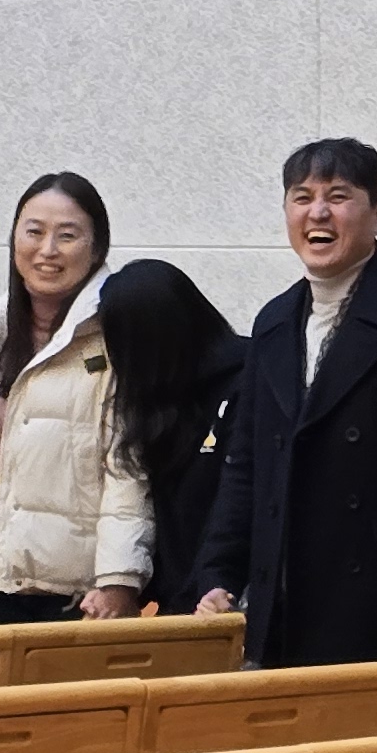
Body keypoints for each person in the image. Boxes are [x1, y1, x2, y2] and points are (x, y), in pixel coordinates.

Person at [191, 138, 377, 667]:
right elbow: (245, 464)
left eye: (338, 196)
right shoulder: (274, 321)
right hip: (282, 590)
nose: (317, 212)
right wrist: (219, 573)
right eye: (302, 197)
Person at [0, 172, 137, 626]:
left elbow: (127, 472)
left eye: (67, 235)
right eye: (34, 232)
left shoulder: (117, 341)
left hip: (79, 597)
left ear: (97, 249)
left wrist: (118, 579)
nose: (47, 250)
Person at [99, 259, 246, 626]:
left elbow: (236, 509)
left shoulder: (247, 381)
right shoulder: (157, 404)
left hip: (228, 601)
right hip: (177, 607)